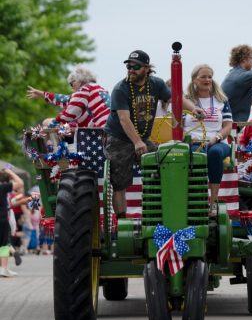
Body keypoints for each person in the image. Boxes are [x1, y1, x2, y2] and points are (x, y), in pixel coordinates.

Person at [103, 50, 203, 218]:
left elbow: (175, 98)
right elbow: (123, 119)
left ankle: (161, 216)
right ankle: (121, 224)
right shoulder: (120, 89)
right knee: (119, 183)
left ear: (147, 68)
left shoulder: (156, 84)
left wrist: (194, 108)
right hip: (118, 138)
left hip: (142, 138)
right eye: (128, 66)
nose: (131, 69)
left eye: (135, 66)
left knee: (163, 164)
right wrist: (137, 142)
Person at [183, 64, 233, 215]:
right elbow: (176, 125)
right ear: (194, 80)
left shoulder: (221, 100)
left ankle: (213, 202)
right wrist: (187, 140)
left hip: (217, 142)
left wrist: (216, 138)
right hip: (193, 142)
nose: (207, 80)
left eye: (210, 77)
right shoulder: (186, 101)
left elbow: (228, 126)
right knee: (194, 156)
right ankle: (196, 202)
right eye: (203, 77)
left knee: (215, 153)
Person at [27, 65, 111, 128]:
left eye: (71, 83)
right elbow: (67, 99)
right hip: (111, 125)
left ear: (79, 80)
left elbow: (69, 113)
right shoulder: (98, 89)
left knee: (47, 123)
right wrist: (42, 94)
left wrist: (52, 126)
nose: (71, 87)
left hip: (106, 128)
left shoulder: (86, 89)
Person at [0, 168, 24, 277]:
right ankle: (4, 269)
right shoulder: (3, 187)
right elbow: (20, 183)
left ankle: (5, 268)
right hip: (2, 218)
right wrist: (10, 172)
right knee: (4, 244)